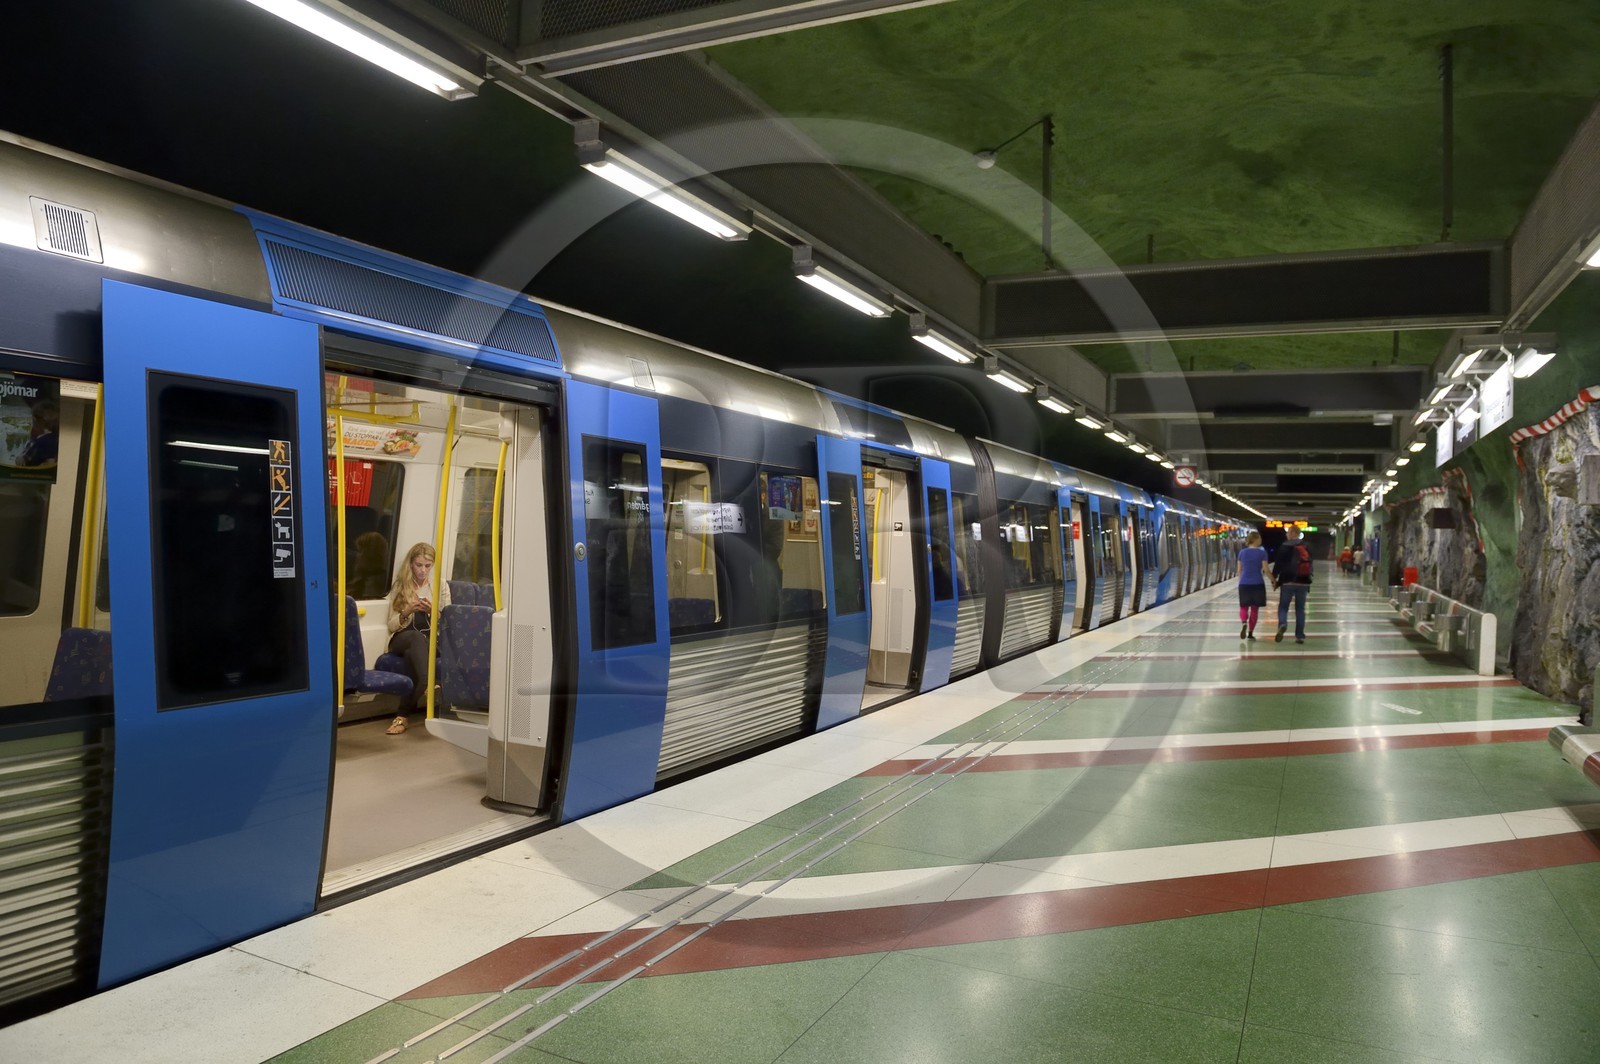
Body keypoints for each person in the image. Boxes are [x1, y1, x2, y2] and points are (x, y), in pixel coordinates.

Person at [384, 542, 451, 734]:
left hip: (430, 639)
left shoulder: (441, 586)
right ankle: (428, 683)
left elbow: (449, 623)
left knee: (415, 654)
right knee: (415, 639)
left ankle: (402, 716)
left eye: (427, 566)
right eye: (418, 565)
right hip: (403, 637)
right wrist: (407, 612)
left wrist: (433, 613)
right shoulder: (400, 586)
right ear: (411, 564)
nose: (423, 570)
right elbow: (391, 625)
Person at [1271, 524, 1314, 643]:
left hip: (1287, 581)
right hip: (1304, 581)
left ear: (1294, 533)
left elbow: (1278, 563)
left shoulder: (1285, 546)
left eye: (1288, 532)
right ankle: (1300, 636)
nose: (1286, 534)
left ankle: (1282, 624)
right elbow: (1311, 563)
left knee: (1283, 607)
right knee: (1300, 609)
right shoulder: (1306, 546)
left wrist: (1274, 578)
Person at [1236, 530, 1271, 640]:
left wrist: (1241, 581)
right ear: (1256, 540)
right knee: (1255, 610)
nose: (1261, 540)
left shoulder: (1242, 553)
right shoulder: (1262, 553)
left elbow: (1239, 570)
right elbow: (1265, 569)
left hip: (1244, 583)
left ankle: (1243, 623)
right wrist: (1273, 580)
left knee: (1243, 606)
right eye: (1259, 538)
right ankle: (1250, 633)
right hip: (1258, 583)